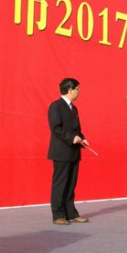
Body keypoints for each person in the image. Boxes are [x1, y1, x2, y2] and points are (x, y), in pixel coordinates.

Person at [47, 78, 90, 225]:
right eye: (77, 89)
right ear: (70, 90)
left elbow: (77, 129)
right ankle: (58, 215)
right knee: (60, 184)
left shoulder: (74, 108)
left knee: (71, 184)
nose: (79, 92)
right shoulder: (56, 106)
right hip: (61, 151)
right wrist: (72, 138)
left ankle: (71, 213)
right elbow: (56, 128)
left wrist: (82, 139)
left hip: (74, 151)